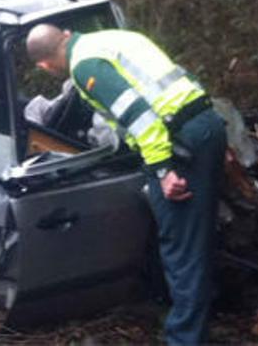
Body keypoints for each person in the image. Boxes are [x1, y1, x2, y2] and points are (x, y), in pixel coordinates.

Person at [26, 24, 226, 345]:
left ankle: (185, 339)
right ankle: (191, 321)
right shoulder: (113, 38)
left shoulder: (84, 66)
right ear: (66, 32)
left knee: (183, 248)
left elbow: (139, 117)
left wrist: (162, 170)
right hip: (203, 125)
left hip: (178, 145)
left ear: (46, 65)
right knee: (194, 239)